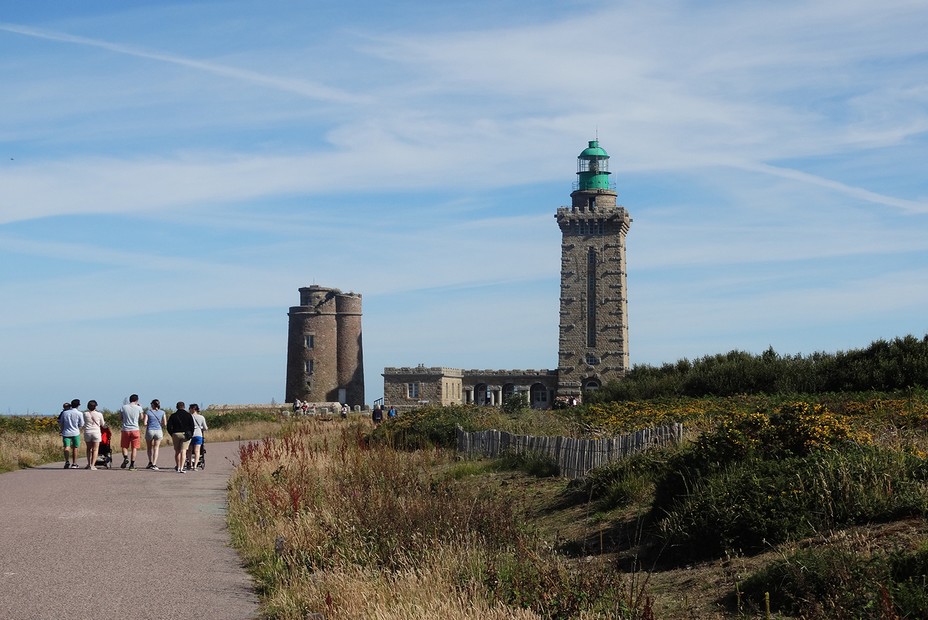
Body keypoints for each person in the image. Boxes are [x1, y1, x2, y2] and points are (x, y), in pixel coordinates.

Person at [166, 401, 195, 474]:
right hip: (185, 434)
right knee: (183, 451)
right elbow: (192, 426)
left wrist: (172, 433)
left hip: (176, 434)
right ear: (184, 407)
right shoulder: (188, 415)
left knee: (177, 451)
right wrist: (191, 434)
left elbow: (169, 426)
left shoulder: (173, 415)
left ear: (176, 407)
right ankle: (182, 467)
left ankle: (178, 466)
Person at [118, 394, 144, 470]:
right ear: (136, 400)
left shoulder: (124, 407)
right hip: (135, 429)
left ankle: (126, 457)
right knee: (134, 448)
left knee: (124, 446)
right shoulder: (139, 408)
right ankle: (132, 465)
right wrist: (140, 408)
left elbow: (120, 417)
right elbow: (142, 417)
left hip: (125, 429)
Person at [58, 400, 84, 469]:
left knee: (67, 447)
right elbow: (81, 424)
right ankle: (74, 463)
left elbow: (61, 422)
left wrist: (61, 430)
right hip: (75, 432)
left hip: (66, 432)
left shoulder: (65, 413)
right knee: (75, 448)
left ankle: (67, 461)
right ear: (78, 405)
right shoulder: (79, 413)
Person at [142, 399, 167, 470]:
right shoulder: (162, 412)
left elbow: (145, 423)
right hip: (158, 430)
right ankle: (154, 463)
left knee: (149, 448)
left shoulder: (148, 412)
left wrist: (149, 423)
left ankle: (150, 462)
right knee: (156, 448)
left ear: (152, 405)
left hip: (150, 430)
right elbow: (165, 423)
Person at [82, 400, 105, 470]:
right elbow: (102, 424)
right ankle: (93, 465)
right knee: (95, 449)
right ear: (95, 406)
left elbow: (83, 423)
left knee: (88, 449)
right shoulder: (99, 414)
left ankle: (88, 463)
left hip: (87, 432)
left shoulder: (85, 414)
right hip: (96, 432)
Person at [187, 403, 208, 471]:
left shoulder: (188, 417)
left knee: (189, 450)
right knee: (197, 451)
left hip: (190, 435)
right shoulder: (201, 417)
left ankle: (190, 464)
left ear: (193, 409)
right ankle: (195, 466)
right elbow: (205, 428)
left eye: (190, 408)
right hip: (198, 435)